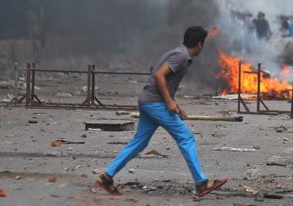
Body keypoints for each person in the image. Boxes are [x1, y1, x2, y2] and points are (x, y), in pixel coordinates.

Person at [96, 26, 227, 197]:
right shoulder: (180, 56)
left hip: (149, 101)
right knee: (186, 137)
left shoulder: (179, 54)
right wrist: (168, 101)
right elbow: (159, 75)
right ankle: (201, 183)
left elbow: (165, 82)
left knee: (139, 142)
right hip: (155, 103)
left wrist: (175, 105)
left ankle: (107, 177)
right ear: (200, 44)